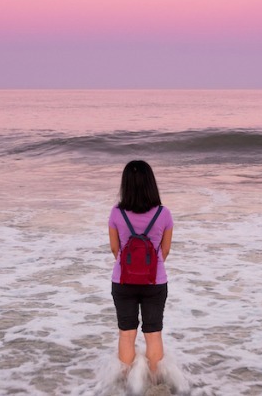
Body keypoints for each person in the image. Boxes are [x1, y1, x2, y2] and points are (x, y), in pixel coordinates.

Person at [108, 160, 174, 377]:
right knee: (153, 334)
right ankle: (155, 385)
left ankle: (127, 384)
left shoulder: (116, 213)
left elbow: (115, 250)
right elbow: (164, 251)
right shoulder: (164, 214)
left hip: (123, 281)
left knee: (126, 334)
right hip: (154, 282)